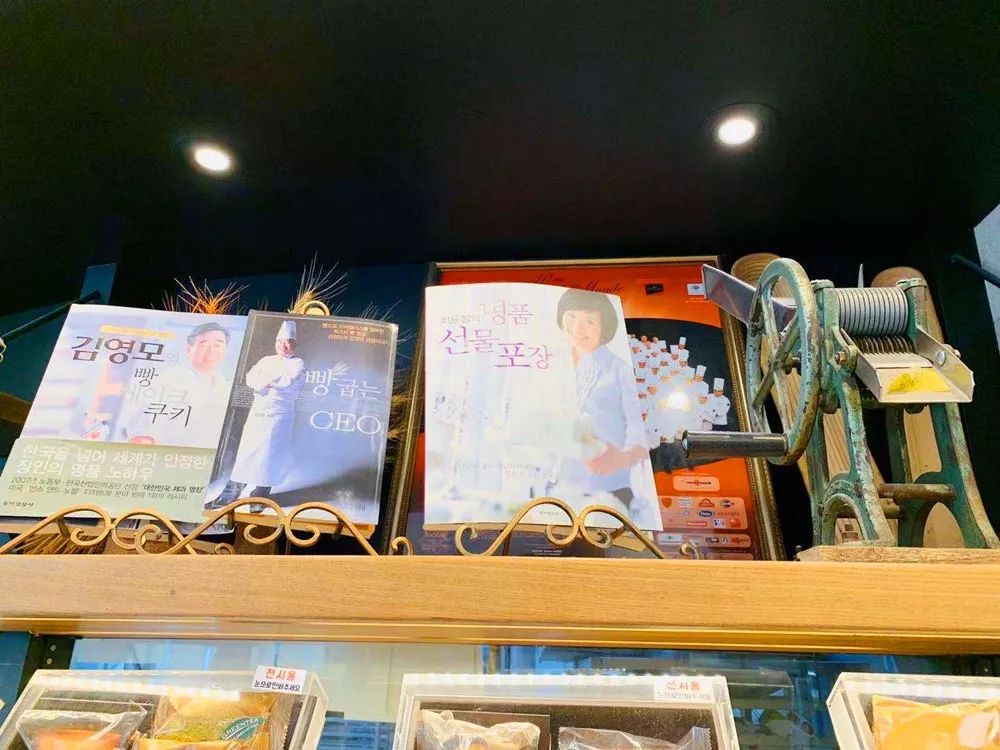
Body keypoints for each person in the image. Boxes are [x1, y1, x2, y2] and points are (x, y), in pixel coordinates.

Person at [549, 289, 656, 527]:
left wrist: (622, 458)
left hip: (608, 487)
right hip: (558, 482)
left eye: (589, 321)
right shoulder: (551, 363)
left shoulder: (620, 371)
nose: (577, 328)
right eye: (571, 316)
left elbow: (641, 428)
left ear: (604, 328)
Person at [207, 320, 305, 512]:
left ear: (294, 344)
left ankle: (260, 493)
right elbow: (251, 378)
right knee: (248, 449)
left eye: (288, 342)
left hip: (280, 414)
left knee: (270, 453)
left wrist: (267, 381)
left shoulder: (298, 363)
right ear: (275, 343)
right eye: (280, 342)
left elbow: (287, 382)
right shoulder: (266, 360)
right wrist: (269, 381)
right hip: (258, 411)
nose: (284, 346)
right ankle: (232, 491)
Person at [123, 322, 232, 448]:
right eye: (204, 345)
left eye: (218, 345)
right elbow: (144, 427)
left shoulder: (226, 386)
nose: (211, 351)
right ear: (189, 350)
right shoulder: (172, 377)